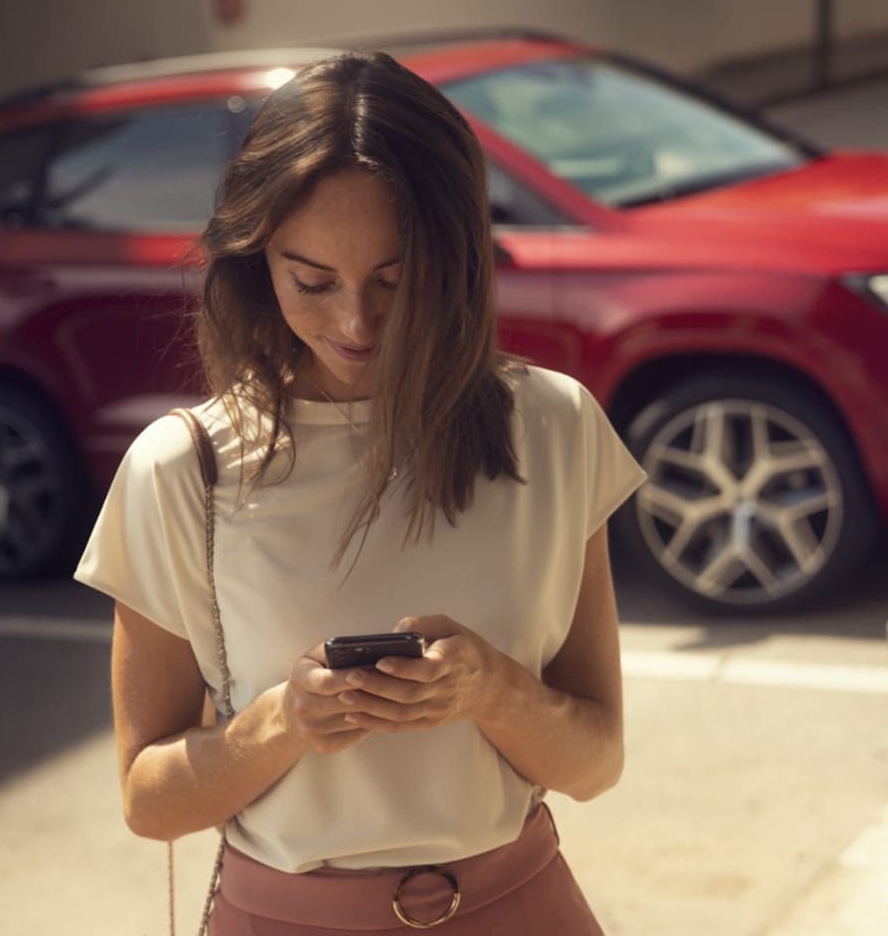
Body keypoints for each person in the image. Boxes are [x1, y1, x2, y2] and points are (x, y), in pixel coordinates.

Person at [74, 50, 646, 935]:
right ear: (256, 258)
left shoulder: (554, 426)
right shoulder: (182, 470)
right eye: (313, 281)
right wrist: (284, 722)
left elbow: (597, 763)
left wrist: (491, 691)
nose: (355, 323)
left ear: (454, 258)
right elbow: (150, 803)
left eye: (392, 280)